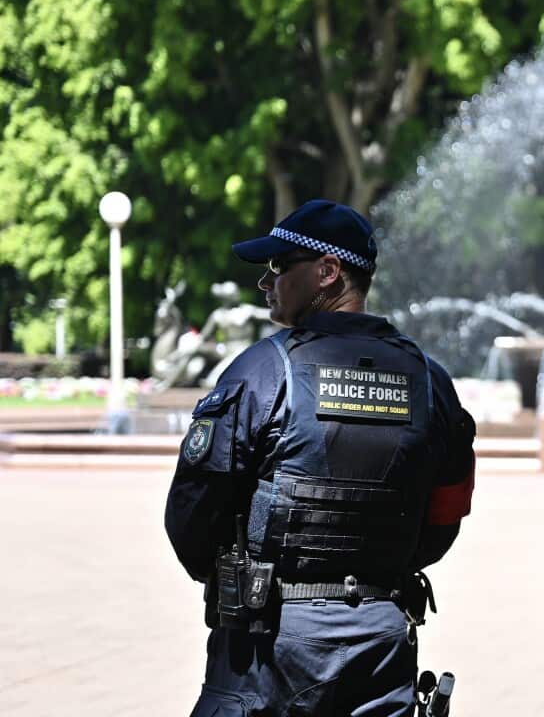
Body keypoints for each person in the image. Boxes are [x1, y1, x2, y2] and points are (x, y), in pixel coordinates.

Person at [164, 199, 476, 715]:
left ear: (328, 272)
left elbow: (194, 513)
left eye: (279, 267)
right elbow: (445, 517)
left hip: (270, 644)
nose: (267, 283)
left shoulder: (263, 371)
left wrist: (241, 576)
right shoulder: (429, 381)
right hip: (382, 636)